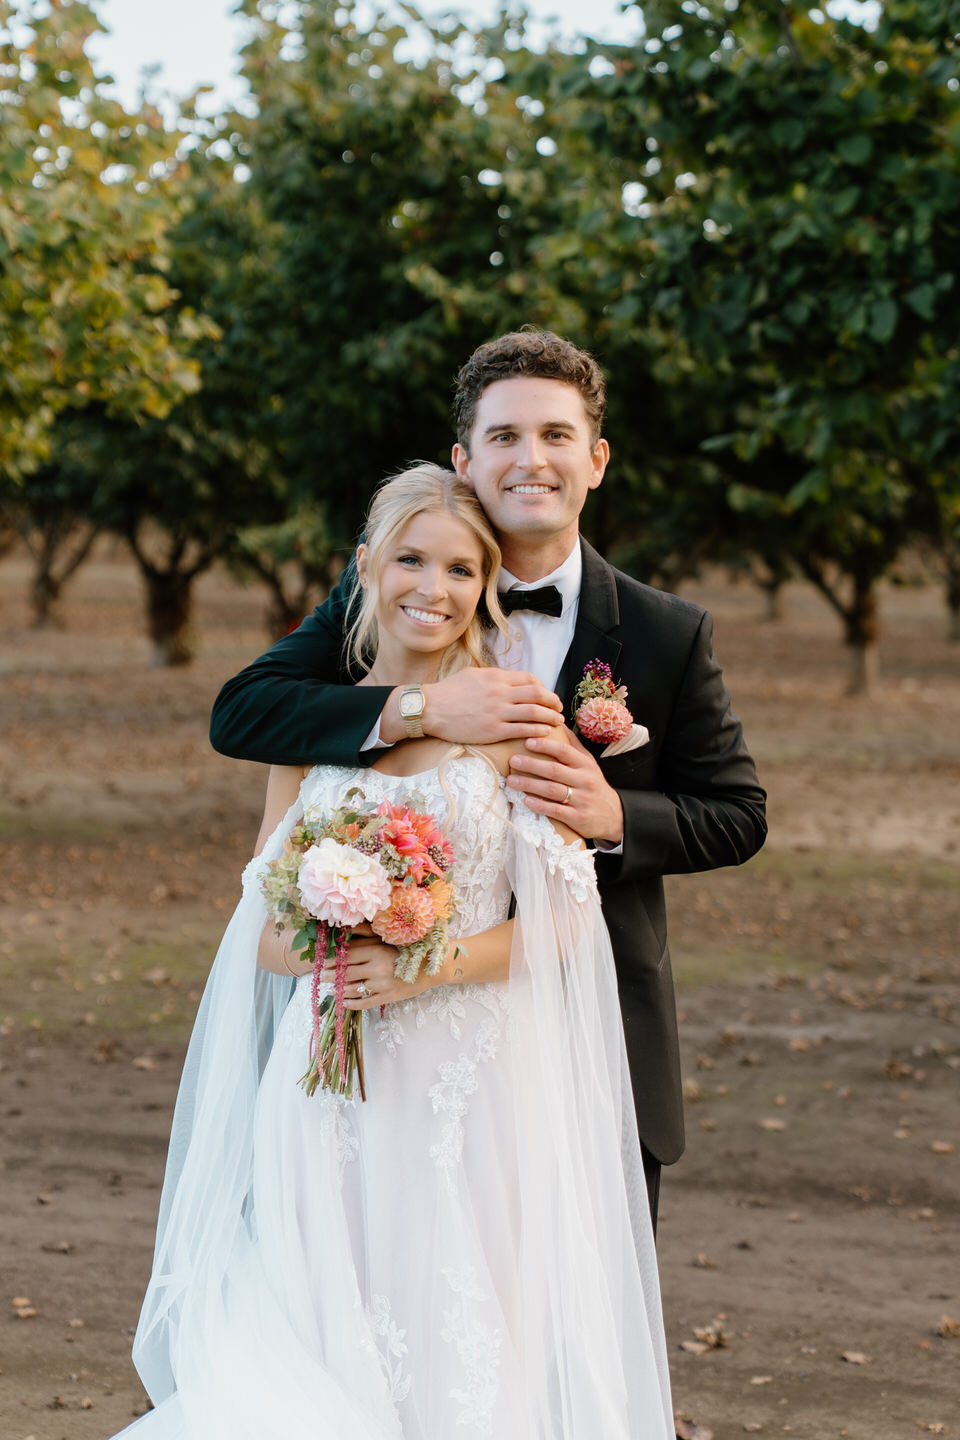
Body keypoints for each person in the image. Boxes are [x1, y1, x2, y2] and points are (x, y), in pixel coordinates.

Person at [120, 463, 675, 1439]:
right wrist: (335, 924)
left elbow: (569, 920)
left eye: (461, 569)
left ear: (486, 585)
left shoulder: (520, 718)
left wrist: (423, 960)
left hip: (472, 1081)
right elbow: (268, 930)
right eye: (411, 560)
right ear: (367, 567)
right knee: (321, 1318)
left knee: (461, 1322)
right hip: (330, 1083)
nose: (434, 587)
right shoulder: (313, 718)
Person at [210, 329, 768, 1225]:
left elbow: (738, 814)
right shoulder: (394, 590)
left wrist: (612, 812)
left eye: (555, 435)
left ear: (597, 459)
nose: (531, 459)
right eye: (504, 437)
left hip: (592, 1030)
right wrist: (419, 713)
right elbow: (245, 711)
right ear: (465, 460)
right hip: (377, 1046)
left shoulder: (668, 633)